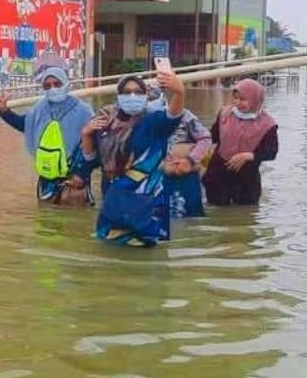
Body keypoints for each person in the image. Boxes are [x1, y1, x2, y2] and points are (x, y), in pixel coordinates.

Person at [74, 71, 186, 247]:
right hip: (114, 200)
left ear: (145, 95)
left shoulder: (153, 121)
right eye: (127, 92)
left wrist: (179, 92)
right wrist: (86, 134)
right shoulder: (105, 123)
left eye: (138, 92)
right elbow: (91, 161)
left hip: (147, 203)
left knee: (146, 258)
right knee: (112, 254)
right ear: (119, 96)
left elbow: (173, 117)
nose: (132, 95)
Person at [0, 66, 94, 206]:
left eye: (57, 84)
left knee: (71, 220)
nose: (53, 88)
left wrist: (81, 173)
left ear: (66, 83)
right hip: (47, 175)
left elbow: (93, 146)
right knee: (46, 219)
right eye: (47, 86)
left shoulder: (83, 111)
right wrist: (5, 112)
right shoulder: (39, 109)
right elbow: (26, 125)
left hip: (74, 177)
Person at [202, 78, 279, 206]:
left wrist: (248, 155)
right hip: (219, 173)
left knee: (244, 215)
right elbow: (213, 136)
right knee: (216, 211)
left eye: (243, 99)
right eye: (236, 98)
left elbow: (271, 151)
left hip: (246, 178)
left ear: (255, 99)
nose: (238, 103)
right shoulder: (225, 114)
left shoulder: (268, 125)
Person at [146, 83, 212, 218]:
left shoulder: (184, 116)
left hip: (184, 175)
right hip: (153, 177)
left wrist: (190, 160)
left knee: (190, 217)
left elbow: (205, 140)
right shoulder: (136, 120)